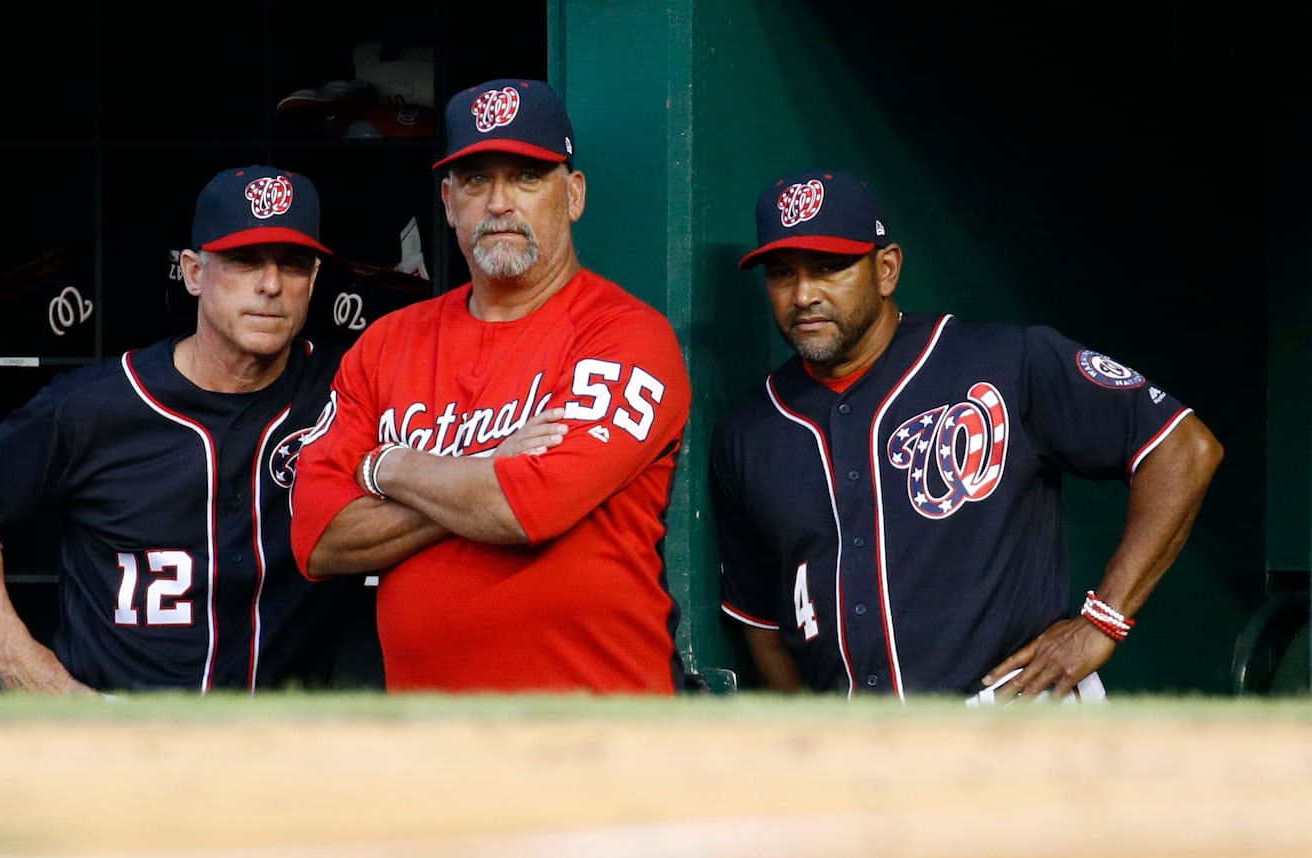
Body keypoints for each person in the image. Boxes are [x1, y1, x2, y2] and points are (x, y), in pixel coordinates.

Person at [710, 168, 1223, 701]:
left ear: (886, 270)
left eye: (828, 268)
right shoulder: (749, 432)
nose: (802, 295)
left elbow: (1184, 448)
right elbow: (763, 625)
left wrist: (1102, 621)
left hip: (1014, 716)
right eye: (781, 274)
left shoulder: (1005, 360)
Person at [289, 78, 691, 694]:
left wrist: (388, 465)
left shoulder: (626, 336)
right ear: (448, 202)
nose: (499, 202)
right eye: (476, 180)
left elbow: (524, 508)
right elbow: (318, 537)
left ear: (573, 194)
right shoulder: (387, 343)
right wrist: (485, 468)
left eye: (527, 176)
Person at [0, 165, 367, 693]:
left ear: (313, 280)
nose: (271, 285)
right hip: (114, 728)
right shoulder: (96, 405)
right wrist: (21, 663)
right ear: (193, 272)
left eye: (292, 265)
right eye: (244, 261)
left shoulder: (349, 392)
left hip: (281, 739)